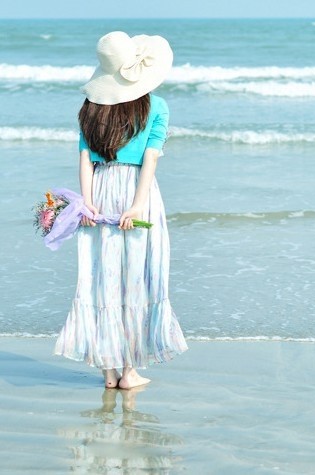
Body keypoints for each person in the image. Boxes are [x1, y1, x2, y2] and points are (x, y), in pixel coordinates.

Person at [54, 31, 188, 389]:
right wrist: (139, 203)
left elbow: (85, 158)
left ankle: (108, 373)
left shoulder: (90, 108)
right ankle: (130, 372)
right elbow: (150, 158)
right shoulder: (157, 106)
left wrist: (87, 201)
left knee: (101, 277)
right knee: (137, 277)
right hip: (136, 188)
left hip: (99, 189)